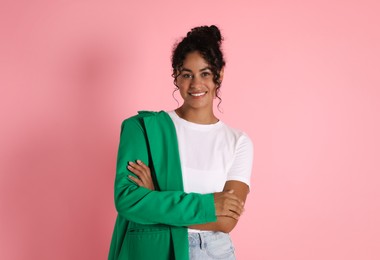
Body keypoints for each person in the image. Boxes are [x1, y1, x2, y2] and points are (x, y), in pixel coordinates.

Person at [108, 25, 253, 260]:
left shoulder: (238, 141)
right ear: (176, 75)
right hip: (156, 248)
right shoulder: (143, 128)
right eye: (187, 74)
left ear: (220, 74)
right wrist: (208, 205)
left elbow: (226, 221)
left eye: (205, 73)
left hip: (215, 252)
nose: (196, 84)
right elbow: (128, 200)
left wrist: (156, 196)